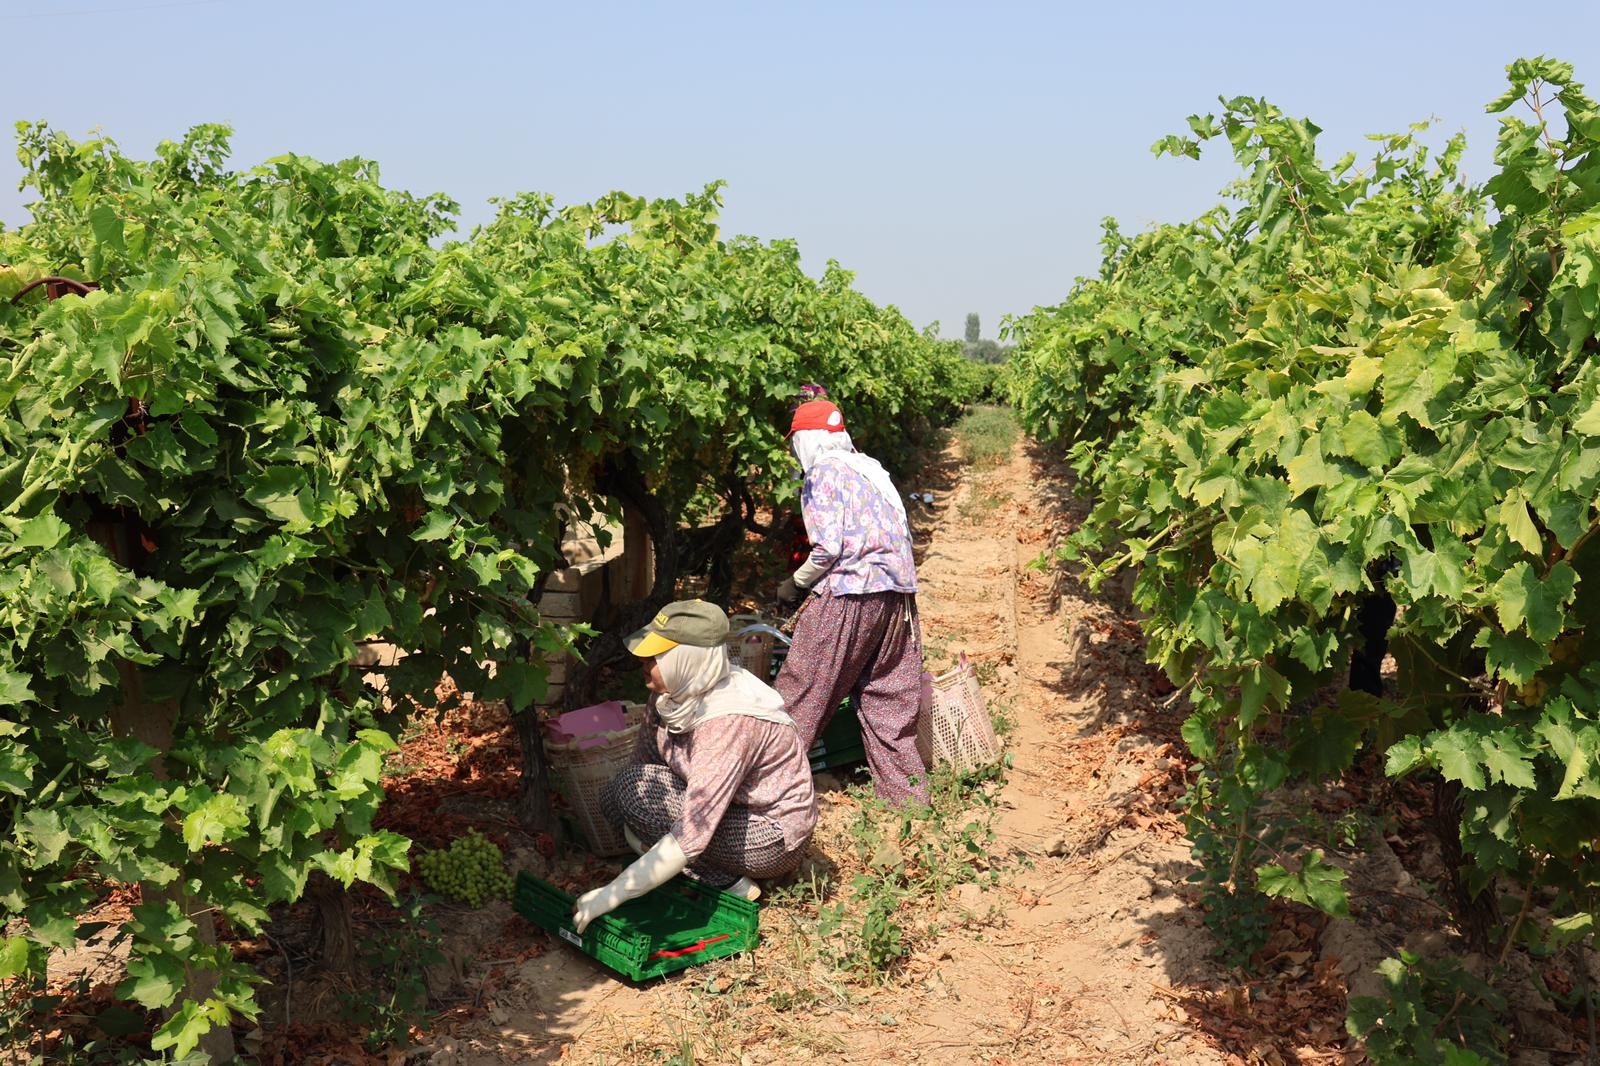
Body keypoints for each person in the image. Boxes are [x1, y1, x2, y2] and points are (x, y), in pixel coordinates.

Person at [574, 600, 818, 934]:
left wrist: (610, 896)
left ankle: (730, 883)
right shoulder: (672, 695)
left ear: (686, 659)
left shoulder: (728, 718)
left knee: (634, 796)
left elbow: (692, 832)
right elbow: (643, 767)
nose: (643, 664)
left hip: (768, 834)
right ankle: (705, 872)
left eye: (655, 657)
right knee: (618, 797)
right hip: (724, 809)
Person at [774, 399, 930, 808]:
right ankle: (909, 805)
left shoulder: (822, 473)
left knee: (801, 693)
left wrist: (795, 583)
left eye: (796, 442)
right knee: (889, 700)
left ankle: (764, 797)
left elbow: (827, 549)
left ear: (807, 440)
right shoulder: (872, 470)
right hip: (897, 599)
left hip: (850, 595)